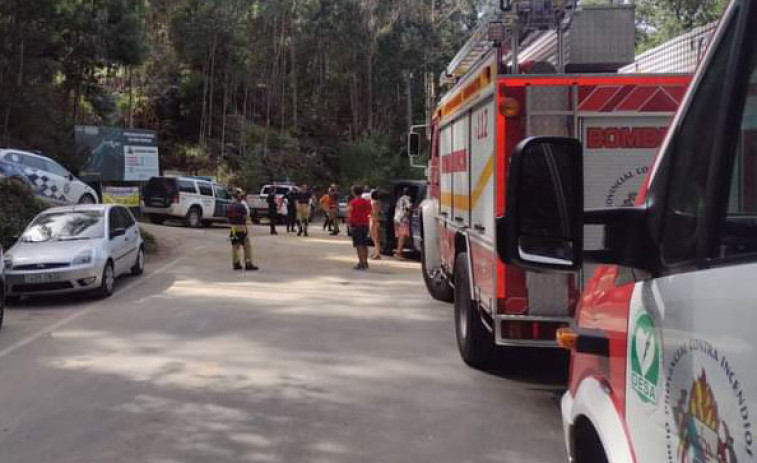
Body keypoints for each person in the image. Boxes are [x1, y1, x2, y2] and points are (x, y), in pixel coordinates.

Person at [227, 189, 258, 271]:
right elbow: (246, 216)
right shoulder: (241, 206)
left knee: (235, 245)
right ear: (238, 196)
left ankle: (236, 263)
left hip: (233, 227)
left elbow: (228, 217)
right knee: (247, 245)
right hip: (241, 226)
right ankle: (248, 263)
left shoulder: (229, 206)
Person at [348, 185, 371, 270]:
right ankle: (365, 261)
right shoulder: (366, 202)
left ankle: (361, 262)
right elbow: (370, 211)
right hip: (365, 224)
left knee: (358, 244)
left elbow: (350, 213)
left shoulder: (353, 202)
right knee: (364, 244)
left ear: (353, 192)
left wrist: (350, 223)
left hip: (356, 225)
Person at [393, 187, 412, 258]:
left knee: (399, 236)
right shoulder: (407, 198)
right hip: (403, 219)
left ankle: (398, 251)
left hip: (396, 218)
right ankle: (399, 253)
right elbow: (409, 207)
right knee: (402, 236)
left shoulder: (399, 199)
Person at [370, 189, 382, 260]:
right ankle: (376, 252)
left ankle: (377, 253)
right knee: (376, 237)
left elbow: (374, 212)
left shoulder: (374, 202)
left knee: (375, 237)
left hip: (374, 220)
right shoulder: (379, 202)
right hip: (377, 219)